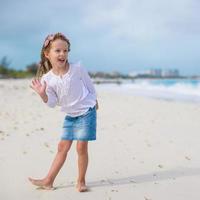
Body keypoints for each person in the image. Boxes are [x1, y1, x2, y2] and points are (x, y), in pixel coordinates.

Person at [28, 32, 98, 192]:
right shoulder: (47, 79)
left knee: (81, 147)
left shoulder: (77, 68)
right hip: (71, 115)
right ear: (47, 54)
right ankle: (48, 180)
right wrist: (42, 94)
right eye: (58, 51)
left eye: (65, 51)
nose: (62, 54)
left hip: (87, 111)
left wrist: (94, 101)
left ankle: (81, 181)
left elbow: (90, 86)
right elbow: (52, 103)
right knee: (62, 147)